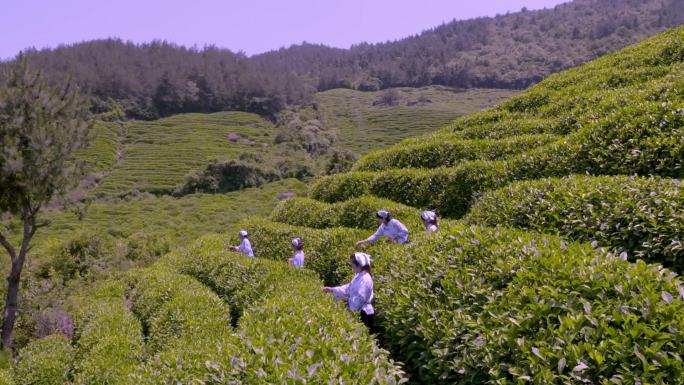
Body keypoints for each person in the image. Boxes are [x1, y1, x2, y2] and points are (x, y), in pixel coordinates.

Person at [323, 252, 375, 332]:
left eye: (352, 264)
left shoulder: (365, 279)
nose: (351, 265)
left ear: (358, 265)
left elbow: (360, 299)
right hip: (358, 311)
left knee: (360, 338)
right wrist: (332, 289)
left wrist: (347, 299)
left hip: (364, 314)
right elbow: (348, 288)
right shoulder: (358, 276)